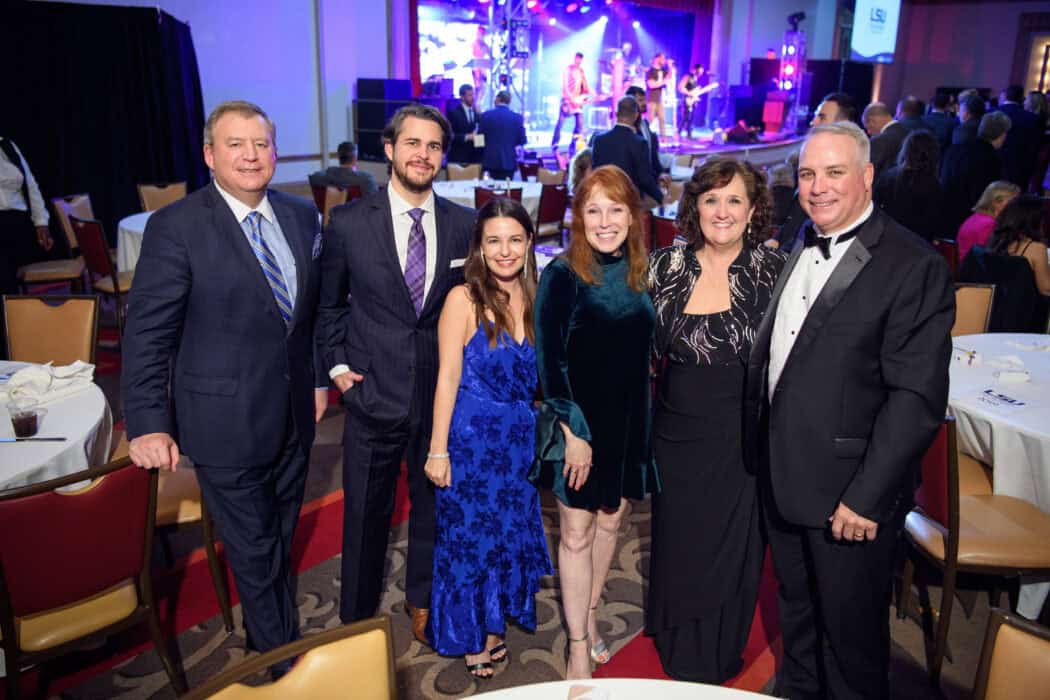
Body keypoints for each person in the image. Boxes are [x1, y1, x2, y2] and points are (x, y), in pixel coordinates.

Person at [745, 120, 954, 699]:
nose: (818, 187)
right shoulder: (799, 235)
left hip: (849, 494)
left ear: (867, 177)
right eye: (808, 173)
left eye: (835, 173)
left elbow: (915, 400)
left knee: (852, 643)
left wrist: (865, 496)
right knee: (800, 622)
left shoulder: (913, 266)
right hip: (785, 477)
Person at [122, 100, 328, 676]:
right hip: (222, 422)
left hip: (292, 416)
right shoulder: (177, 226)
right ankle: (279, 664)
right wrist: (147, 421)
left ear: (275, 151)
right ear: (211, 155)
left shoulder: (300, 215)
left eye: (261, 144)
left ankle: (274, 630)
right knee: (256, 545)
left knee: (280, 535)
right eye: (235, 144)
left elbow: (305, 316)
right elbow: (146, 335)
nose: (250, 155)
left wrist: (314, 377)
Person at [318, 104, 476, 644]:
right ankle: (355, 623)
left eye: (433, 147)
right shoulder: (346, 223)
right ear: (389, 149)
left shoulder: (464, 226)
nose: (422, 155)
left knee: (434, 508)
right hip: (371, 393)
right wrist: (338, 368)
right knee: (364, 515)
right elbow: (330, 306)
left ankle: (423, 600)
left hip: (440, 399)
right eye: (412, 144)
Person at [646, 158, 785, 682]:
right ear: (694, 207)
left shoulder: (776, 272)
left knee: (732, 549)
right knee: (680, 540)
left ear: (753, 211)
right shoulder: (663, 267)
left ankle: (718, 649)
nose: (721, 211)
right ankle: (677, 632)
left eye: (734, 201)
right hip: (676, 432)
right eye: (711, 199)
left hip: (743, 436)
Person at [531, 165, 659, 680]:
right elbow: (549, 363)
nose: (605, 221)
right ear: (578, 218)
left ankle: (588, 612)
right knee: (577, 534)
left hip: (629, 420)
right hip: (578, 424)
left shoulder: (642, 271)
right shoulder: (562, 276)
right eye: (593, 210)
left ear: (632, 215)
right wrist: (573, 433)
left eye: (616, 209)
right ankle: (578, 645)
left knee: (612, 523)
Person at [424, 198, 552, 679]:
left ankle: (495, 628)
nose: (505, 250)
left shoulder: (537, 296)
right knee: (469, 542)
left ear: (528, 243)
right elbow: (447, 378)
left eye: (515, 239)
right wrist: (438, 449)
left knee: (506, 539)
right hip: (470, 441)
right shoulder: (464, 299)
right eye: (494, 240)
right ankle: (471, 636)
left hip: (518, 442)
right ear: (479, 246)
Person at [0, 136, 54, 296]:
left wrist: (41, 222)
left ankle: (11, 314)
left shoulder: (7, 145)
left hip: (16, 222)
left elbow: (30, 184)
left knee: (9, 276)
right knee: (4, 278)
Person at [941, 111, 1011, 235]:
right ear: (1002, 134)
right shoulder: (992, 159)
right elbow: (984, 197)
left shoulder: (954, 149)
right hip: (970, 222)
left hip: (945, 215)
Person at [873, 129, 945, 241]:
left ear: (906, 150)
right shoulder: (933, 185)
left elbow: (875, 208)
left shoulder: (888, 176)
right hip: (917, 246)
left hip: (887, 239)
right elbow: (934, 223)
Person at [591, 97, 664, 206]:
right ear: (636, 116)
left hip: (604, 199)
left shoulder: (599, 140)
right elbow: (645, 179)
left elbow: (595, 172)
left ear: (616, 114)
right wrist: (661, 198)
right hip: (629, 203)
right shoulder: (639, 143)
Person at [986, 194, 1050, 295]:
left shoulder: (996, 241)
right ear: (1035, 220)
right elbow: (1046, 289)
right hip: (1026, 307)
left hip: (997, 304)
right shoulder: (1036, 248)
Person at [956, 180, 1019, 262]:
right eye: (1013, 202)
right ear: (996, 202)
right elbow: (988, 259)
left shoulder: (975, 217)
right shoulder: (989, 224)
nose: (1017, 206)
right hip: (972, 271)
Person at [996, 84, 1040, 189]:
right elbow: (1034, 148)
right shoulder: (1032, 118)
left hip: (992, 164)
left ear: (1005, 96)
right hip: (1019, 168)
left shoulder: (991, 113)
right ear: (1021, 98)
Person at [479, 90, 527, 181]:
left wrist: (479, 155)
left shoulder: (486, 115)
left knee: (488, 191)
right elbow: (522, 140)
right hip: (509, 161)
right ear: (509, 101)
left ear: (498, 99)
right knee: (506, 191)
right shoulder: (517, 118)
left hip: (489, 160)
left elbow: (479, 139)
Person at [553, 52, 590, 158]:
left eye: (580, 60)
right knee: (560, 122)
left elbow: (585, 87)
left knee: (579, 125)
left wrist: (588, 95)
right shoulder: (568, 70)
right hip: (567, 100)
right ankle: (555, 143)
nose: (578, 61)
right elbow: (565, 87)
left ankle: (573, 145)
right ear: (575, 59)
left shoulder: (581, 71)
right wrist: (570, 99)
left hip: (577, 101)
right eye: (577, 59)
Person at [308, 141, 377, 195]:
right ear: (354, 158)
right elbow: (374, 201)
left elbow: (313, 177)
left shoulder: (329, 174)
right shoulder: (366, 179)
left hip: (333, 211)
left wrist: (330, 170)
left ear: (338, 157)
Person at [862, 102, 908, 177]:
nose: (869, 132)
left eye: (868, 128)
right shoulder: (909, 133)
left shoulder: (878, 141)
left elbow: (871, 175)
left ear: (873, 121)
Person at [447, 84, 481, 165]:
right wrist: (466, 137)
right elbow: (449, 135)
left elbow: (480, 133)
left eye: (473, 94)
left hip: (475, 159)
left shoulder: (477, 113)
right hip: (458, 157)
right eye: (470, 95)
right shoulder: (454, 113)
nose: (473, 98)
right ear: (462, 97)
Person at [677, 63, 708, 140]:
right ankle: (678, 133)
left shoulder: (695, 79)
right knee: (685, 117)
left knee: (691, 118)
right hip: (687, 99)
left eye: (702, 72)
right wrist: (689, 93)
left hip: (693, 100)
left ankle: (689, 134)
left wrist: (696, 96)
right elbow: (680, 87)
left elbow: (694, 90)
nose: (701, 73)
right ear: (696, 70)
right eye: (700, 71)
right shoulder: (688, 77)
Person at [645, 53, 670, 140]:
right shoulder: (650, 71)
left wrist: (670, 66)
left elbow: (669, 77)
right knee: (651, 121)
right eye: (662, 58)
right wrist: (663, 82)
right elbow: (651, 85)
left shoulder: (663, 70)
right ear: (657, 59)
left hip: (659, 99)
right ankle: (651, 139)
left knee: (662, 119)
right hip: (651, 99)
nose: (664, 60)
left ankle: (664, 139)